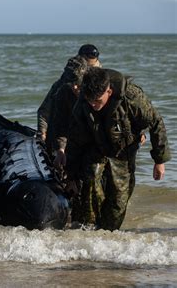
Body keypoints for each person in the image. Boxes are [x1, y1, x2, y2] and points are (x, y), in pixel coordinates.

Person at [64, 67, 171, 230]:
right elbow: (75, 139)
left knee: (118, 200)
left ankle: (108, 234)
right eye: (89, 100)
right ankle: (87, 230)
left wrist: (159, 160)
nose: (93, 105)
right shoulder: (83, 103)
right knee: (89, 183)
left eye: (97, 101)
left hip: (123, 148)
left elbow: (156, 123)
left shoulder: (131, 96)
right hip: (95, 145)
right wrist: (70, 175)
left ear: (109, 91)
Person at [37, 44, 101, 144]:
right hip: (62, 134)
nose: (76, 87)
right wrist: (42, 134)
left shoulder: (100, 83)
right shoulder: (64, 83)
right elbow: (44, 111)